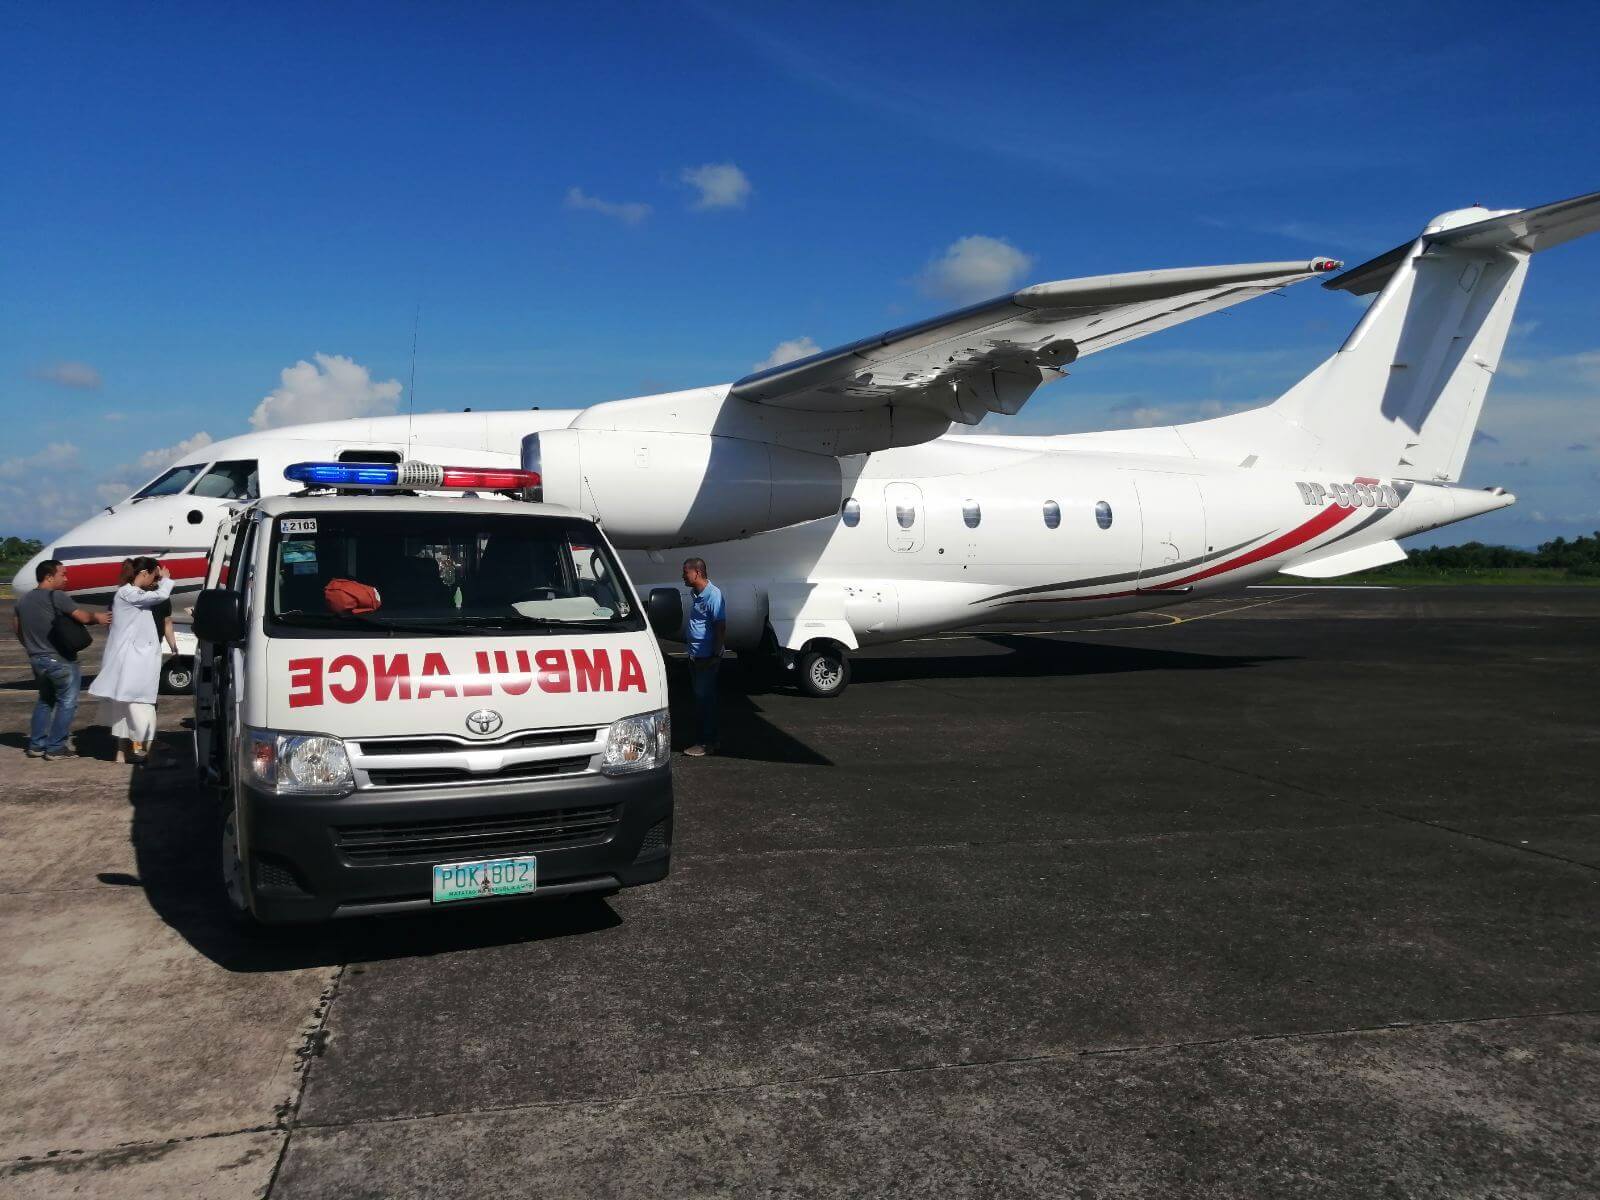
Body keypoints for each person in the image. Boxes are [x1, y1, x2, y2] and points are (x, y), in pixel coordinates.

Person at [13, 559, 111, 760]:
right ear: (49, 577)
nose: (66, 579)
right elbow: (82, 617)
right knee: (67, 702)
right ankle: (56, 746)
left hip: (37, 659)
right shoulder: (56, 596)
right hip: (60, 659)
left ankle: (36, 745)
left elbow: (17, 627)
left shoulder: (22, 600)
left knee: (45, 700)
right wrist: (98, 617)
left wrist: (33, 648)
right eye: (62, 574)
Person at [89, 557, 174, 765]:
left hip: (131, 660)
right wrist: (166, 580)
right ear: (144, 573)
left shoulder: (130, 594)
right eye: (153, 575)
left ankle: (121, 754)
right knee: (142, 706)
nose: (155, 580)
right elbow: (161, 595)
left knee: (124, 709)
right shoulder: (129, 593)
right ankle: (151, 756)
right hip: (133, 663)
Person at [680, 557, 725, 756]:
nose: (683, 575)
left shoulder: (713, 595)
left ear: (696, 573)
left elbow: (720, 626)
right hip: (695, 655)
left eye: (685, 572)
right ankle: (711, 740)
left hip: (706, 657)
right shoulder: (697, 594)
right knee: (704, 700)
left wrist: (715, 654)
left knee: (704, 701)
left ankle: (705, 743)